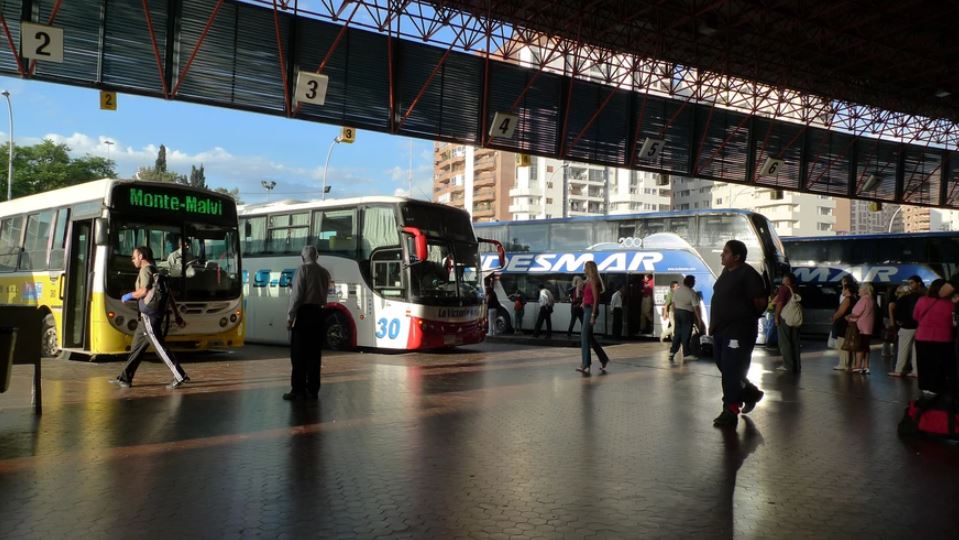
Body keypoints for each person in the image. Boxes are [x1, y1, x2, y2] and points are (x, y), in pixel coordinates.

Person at [111, 246, 188, 389]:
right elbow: (169, 295)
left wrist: (128, 296)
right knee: (136, 349)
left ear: (141, 256)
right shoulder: (155, 270)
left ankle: (179, 375)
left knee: (159, 347)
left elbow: (143, 291)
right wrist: (177, 315)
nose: (132, 260)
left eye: (134, 257)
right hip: (148, 318)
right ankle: (125, 378)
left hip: (149, 317)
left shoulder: (145, 270)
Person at [710, 240, 768, 428]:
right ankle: (750, 393)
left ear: (737, 257)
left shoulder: (748, 274)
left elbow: (760, 302)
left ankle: (731, 409)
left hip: (738, 331)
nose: (722, 255)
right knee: (724, 365)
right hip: (721, 330)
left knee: (732, 369)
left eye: (726, 252)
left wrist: (744, 317)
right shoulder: (727, 272)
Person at [284, 245, 332, 401]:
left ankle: (298, 390)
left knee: (298, 355)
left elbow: (296, 297)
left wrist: (290, 318)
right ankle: (313, 390)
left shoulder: (302, 270)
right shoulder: (325, 273)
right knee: (314, 355)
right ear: (317, 257)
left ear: (303, 257)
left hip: (304, 315)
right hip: (319, 314)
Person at [913, 279, 954, 395]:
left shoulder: (922, 301)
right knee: (940, 365)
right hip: (944, 338)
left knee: (924, 363)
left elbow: (915, 316)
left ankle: (926, 387)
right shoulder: (950, 304)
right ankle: (939, 387)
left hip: (923, 337)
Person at [576, 260, 610, 375]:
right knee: (589, 337)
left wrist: (593, 315)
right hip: (586, 308)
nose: (584, 269)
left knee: (584, 336)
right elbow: (587, 296)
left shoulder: (594, 281)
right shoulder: (588, 281)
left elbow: (596, 300)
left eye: (585, 267)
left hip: (590, 310)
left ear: (589, 269)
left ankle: (586, 364)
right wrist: (582, 300)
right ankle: (603, 359)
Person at [889, 276, 923, 378]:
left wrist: (898, 322)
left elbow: (898, 312)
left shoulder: (903, 299)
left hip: (906, 326)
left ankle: (899, 370)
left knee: (903, 349)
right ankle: (916, 371)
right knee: (916, 350)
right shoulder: (921, 297)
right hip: (918, 326)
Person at [669, 275, 702, 364]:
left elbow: (673, 303)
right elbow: (696, 308)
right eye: (694, 282)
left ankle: (672, 352)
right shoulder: (692, 292)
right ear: (691, 282)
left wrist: (675, 312)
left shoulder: (677, 291)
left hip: (677, 313)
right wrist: (699, 320)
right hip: (687, 314)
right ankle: (686, 354)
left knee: (677, 333)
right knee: (686, 334)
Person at [774, 273, 802, 374]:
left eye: (784, 279)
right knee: (795, 342)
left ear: (787, 280)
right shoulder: (796, 289)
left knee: (785, 342)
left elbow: (779, 303)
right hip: (795, 318)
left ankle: (788, 365)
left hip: (785, 318)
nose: (782, 281)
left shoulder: (784, 289)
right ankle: (797, 365)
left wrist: (776, 317)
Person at [846, 283, 876, 374]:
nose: (858, 290)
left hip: (861, 327)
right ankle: (866, 366)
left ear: (865, 290)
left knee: (859, 347)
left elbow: (857, 313)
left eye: (860, 289)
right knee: (866, 347)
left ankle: (858, 366)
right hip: (869, 327)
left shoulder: (863, 299)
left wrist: (847, 316)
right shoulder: (871, 300)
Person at [831, 276, 857, 371]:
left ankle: (844, 364)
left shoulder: (847, 299)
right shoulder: (854, 298)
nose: (842, 290)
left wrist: (833, 317)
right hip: (847, 325)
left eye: (844, 289)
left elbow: (841, 312)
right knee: (848, 345)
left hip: (842, 325)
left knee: (842, 345)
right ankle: (850, 363)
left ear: (847, 290)